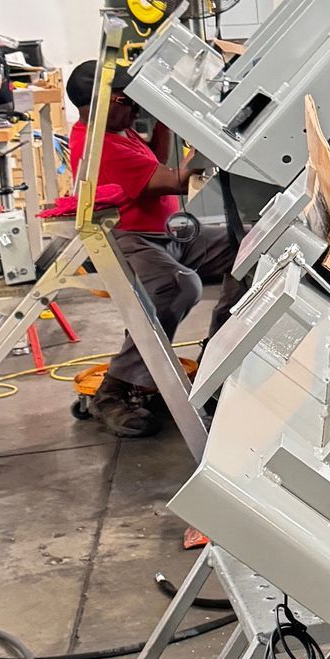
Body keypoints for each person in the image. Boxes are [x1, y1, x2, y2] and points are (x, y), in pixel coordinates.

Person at [65, 58, 241, 438]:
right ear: (96, 104)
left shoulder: (117, 131)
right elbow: (176, 179)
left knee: (244, 246)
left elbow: (156, 160)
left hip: (166, 232)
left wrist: (164, 116)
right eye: (125, 100)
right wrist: (211, 141)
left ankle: (218, 358)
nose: (133, 107)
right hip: (133, 238)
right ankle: (114, 389)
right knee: (177, 286)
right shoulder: (99, 146)